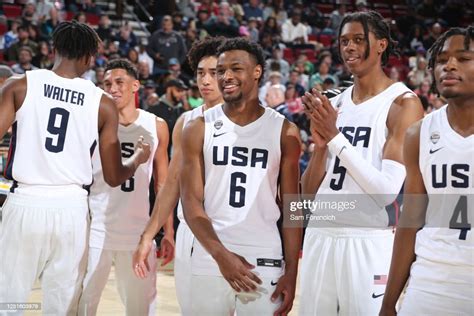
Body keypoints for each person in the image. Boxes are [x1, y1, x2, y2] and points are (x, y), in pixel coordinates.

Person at [0, 21, 150, 315]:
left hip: (25, 202)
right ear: (90, 58)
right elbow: (114, 175)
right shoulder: (103, 103)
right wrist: (138, 158)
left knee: (9, 297)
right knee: (60, 301)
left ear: (53, 49)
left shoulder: (20, 84)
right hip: (71, 209)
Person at [299, 11, 424, 315]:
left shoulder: (403, 103)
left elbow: (385, 192)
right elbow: (305, 196)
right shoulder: (337, 103)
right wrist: (319, 146)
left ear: (381, 44)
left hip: (366, 240)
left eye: (358, 39)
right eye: (344, 41)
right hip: (319, 234)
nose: (349, 47)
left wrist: (335, 137)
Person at [179, 37, 302, 315]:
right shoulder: (197, 128)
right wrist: (222, 256)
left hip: (265, 256)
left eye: (236, 68)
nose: (225, 77)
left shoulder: (285, 131)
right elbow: (190, 204)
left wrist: (292, 271)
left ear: (257, 72)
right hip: (210, 255)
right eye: (221, 70)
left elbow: (293, 208)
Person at [380, 26, 474, 316]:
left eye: (464, 57)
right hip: (429, 281)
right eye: (442, 58)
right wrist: (388, 303)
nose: (450, 65)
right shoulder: (418, 134)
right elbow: (410, 221)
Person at [133, 36, 225, 315]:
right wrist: (151, 234)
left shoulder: (255, 121)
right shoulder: (185, 121)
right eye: (200, 73)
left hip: (232, 230)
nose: (205, 81)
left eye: (214, 73)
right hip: (191, 232)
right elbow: (171, 183)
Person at [77, 59, 172, 315]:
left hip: (138, 235)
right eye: (107, 83)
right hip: (96, 230)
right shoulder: (91, 123)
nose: (113, 88)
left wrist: (168, 232)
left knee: (140, 308)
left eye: (119, 82)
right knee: (83, 305)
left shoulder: (157, 125)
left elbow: (163, 184)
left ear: (135, 86)